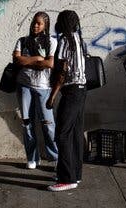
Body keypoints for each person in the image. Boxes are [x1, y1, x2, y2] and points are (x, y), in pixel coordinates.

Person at [46, 10, 86, 192]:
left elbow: (62, 72)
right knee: (75, 133)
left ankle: (66, 178)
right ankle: (75, 175)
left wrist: (52, 96)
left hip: (70, 91)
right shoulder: (79, 39)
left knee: (62, 134)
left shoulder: (64, 40)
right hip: (81, 90)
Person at [13, 12, 58, 169]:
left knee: (48, 124)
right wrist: (38, 59)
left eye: (39, 23)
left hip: (44, 87)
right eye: (34, 22)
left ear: (45, 25)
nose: (35, 25)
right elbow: (17, 60)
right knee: (27, 124)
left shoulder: (52, 41)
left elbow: (50, 64)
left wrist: (27, 61)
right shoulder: (22, 41)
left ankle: (54, 158)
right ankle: (32, 158)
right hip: (24, 86)